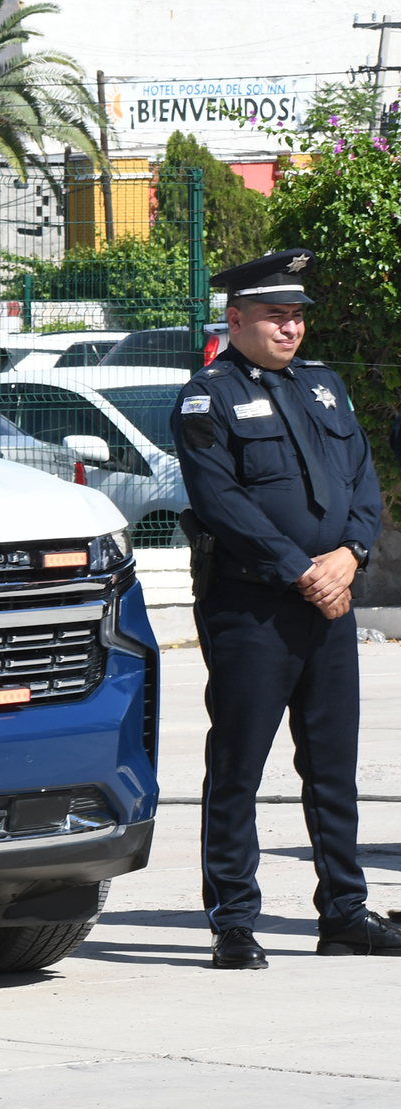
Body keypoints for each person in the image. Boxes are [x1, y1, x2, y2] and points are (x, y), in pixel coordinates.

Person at [173, 247, 401, 969]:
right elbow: (221, 502)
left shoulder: (325, 387)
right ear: (235, 318)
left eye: (297, 316)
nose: (290, 328)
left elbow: (362, 482)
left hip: (329, 604)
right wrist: (300, 569)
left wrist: (352, 555)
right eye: (275, 315)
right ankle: (234, 921)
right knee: (239, 763)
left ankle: (344, 912)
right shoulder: (206, 397)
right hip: (252, 608)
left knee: (333, 767)